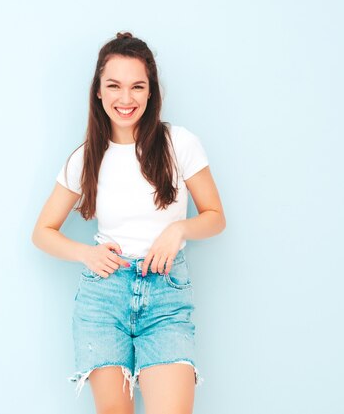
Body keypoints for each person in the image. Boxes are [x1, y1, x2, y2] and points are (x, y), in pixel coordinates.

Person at [32, 31, 225, 414]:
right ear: (98, 92)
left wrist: (179, 229)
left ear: (151, 92)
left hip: (167, 296)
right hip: (104, 299)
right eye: (114, 86)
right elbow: (42, 232)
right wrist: (86, 254)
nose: (126, 98)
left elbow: (215, 217)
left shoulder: (179, 144)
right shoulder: (86, 158)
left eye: (137, 86)